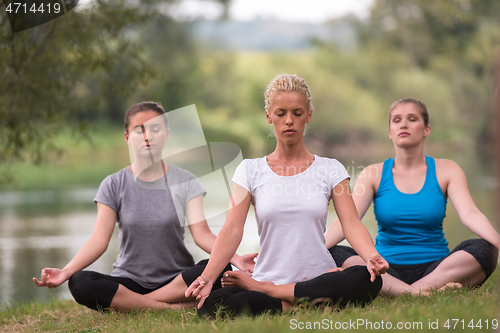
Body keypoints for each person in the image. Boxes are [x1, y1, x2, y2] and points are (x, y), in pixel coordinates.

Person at [184, 74, 389, 318]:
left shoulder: (331, 169)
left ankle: (276, 293)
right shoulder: (249, 170)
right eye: (281, 113)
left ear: (309, 115)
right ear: (269, 116)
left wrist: (371, 256)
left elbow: (351, 223)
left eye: (297, 113)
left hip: (317, 277)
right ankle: (305, 301)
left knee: (368, 278)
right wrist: (207, 277)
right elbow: (231, 230)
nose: (289, 121)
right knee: (211, 305)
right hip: (267, 277)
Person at [33, 101, 256, 311]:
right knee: (80, 282)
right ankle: (169, 308)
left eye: (156, 129)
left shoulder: (186, 180)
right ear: (127, 137)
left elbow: (202, 235)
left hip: (177, 280)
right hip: (130, 281)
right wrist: (66, 271)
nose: (148, 136)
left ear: (167, 135)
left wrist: (234, 257)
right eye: (139, 130)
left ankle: (133, 304)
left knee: (220, 269)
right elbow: (98, 241)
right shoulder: (113, 184)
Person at [325, 98, 499, 296]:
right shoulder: (373, 173)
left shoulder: (448, 170)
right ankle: (426, 292)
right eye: (397, 120)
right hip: (386, 269)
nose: (404, 124)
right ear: (390, 132)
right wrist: (318, 249)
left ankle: (402, 291)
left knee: (485, 247)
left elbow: (470, 214)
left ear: (426, 129)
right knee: (335, 252)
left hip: (437, 268)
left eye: (412, 119)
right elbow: (348, 221)